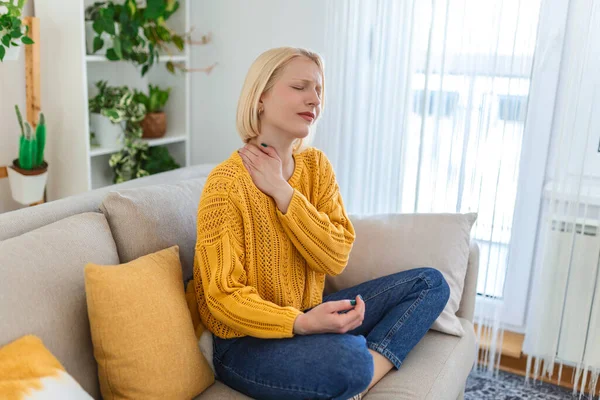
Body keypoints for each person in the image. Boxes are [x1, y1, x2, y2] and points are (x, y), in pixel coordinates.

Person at [193, 46, 450, 400]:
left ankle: (358, 378)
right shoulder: (226, 184)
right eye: (300, 87)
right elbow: (222, 297)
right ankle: (355, 373)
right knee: (349, 363)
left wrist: (284, 194)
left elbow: (335, 256)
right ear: (261, 98)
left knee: (430, 283)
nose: (314, 99)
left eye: (318, 90)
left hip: (309, 316)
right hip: (246, 344)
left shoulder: (316, 167)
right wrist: (300, 324)